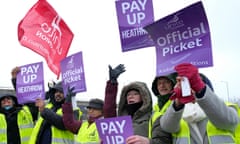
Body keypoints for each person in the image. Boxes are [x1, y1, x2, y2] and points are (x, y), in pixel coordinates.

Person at [159, 63, 239, 144]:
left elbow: (228, 122)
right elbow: (168, 127)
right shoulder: (177, 112)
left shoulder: (225, 107)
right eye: (188, 86)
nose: (191, 89)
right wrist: (177, 103)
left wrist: (201, 91)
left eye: (194, 85)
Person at [126, 72, 177, 144]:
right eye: (159, 83)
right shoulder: (156, 110)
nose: (162, 85)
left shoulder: (180, 104)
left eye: (166, 82)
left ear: (173, 83)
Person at [103, 64, 153, 137]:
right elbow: (108, 110)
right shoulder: (121, 120)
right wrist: (112, 83)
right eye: (128, 95)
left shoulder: (151, 117)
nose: (131, 96)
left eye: (135, 94)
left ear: (144, 97)